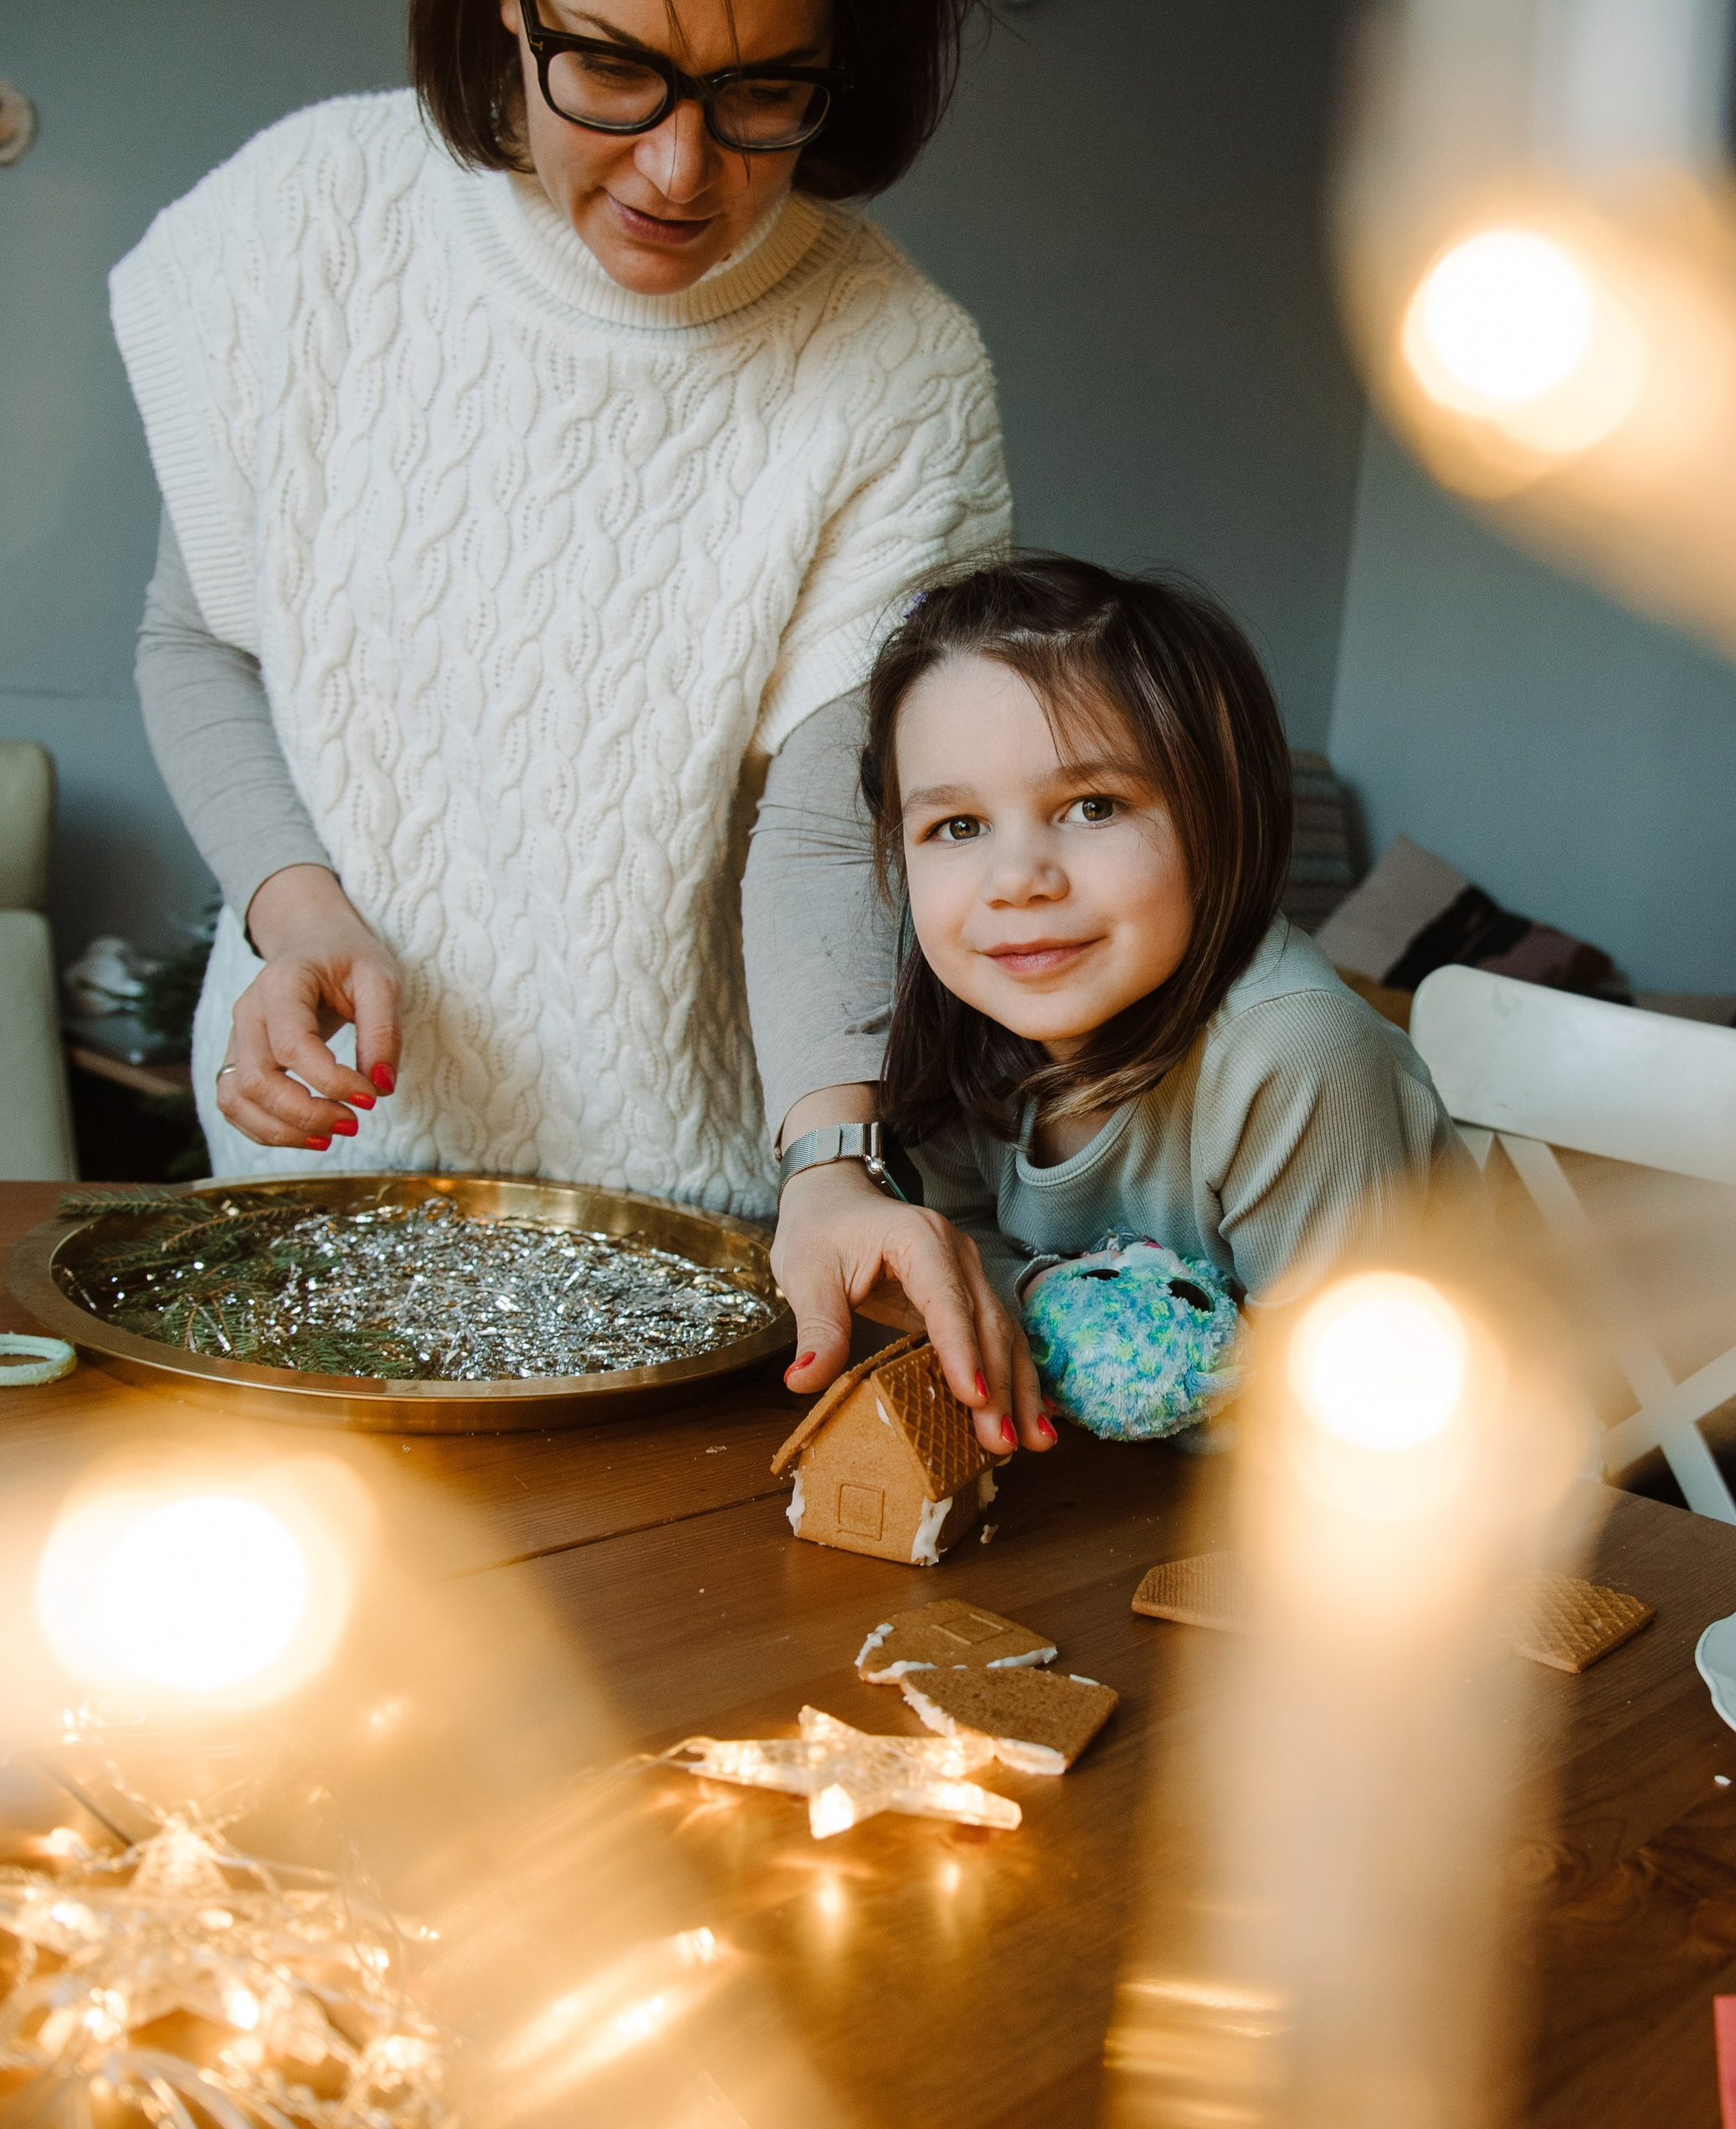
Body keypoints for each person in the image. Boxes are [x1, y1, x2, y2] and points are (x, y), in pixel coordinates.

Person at [116, 0, 1052, 1449]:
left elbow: (831, 814)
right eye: (615, 69)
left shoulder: (899, 367)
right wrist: (298, 917)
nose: (682, 170)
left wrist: (834, 1159)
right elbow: (199, 642)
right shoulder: (305, 224)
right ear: (508, 16)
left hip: (696, 1224)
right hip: (327, 1171)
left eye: (763, 93)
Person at [856, 556, 1474, 1448]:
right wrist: (1036, 1295)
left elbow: (1346, 1411)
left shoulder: (1295, 1053)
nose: (1016, 880)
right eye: (956, 826)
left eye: (1093, 805)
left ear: (1218, 817)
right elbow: (953, 1238)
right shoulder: (966, 1015)